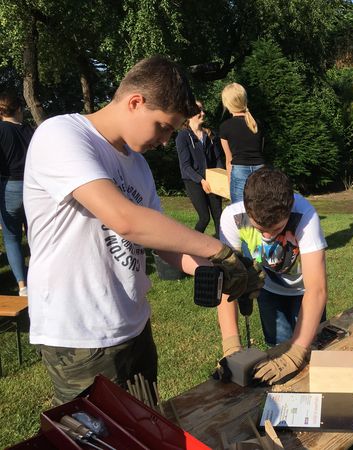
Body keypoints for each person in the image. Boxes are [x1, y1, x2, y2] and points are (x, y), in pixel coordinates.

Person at [23, 56, 255, 405]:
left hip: (132, 324)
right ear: (135, 102)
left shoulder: (138, 166)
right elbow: (125, 219)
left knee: (145, 427)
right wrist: (219, 250)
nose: (164, 140)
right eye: (163, 126)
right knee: (99, 437)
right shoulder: (61, 134)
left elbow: (162, 243)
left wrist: (217, 272)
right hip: (79, 334)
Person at [217, 167, 327, 385]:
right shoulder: (233, 217)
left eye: (276, 229)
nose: (267, 236)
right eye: (259, 229)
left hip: (304, 292)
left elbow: (317, 290)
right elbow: (225, 283)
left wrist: (296, 353)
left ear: (288, 209)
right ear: (248, 210)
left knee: (309, 354)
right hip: (269, 290)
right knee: (276, 351)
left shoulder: (305, 214)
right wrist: (231, 346)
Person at [0, 90, 34, 296]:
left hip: (9, 186)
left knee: (12, 237)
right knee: (36, 234)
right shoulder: (31, 130)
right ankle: (43, 276)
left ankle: (23, 286)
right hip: (33, 187)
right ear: (19, 109)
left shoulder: (1, 130)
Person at [175, 100, 224, 234]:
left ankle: (223, 249)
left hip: (212, 179)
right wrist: (201, 181)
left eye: (203, 110)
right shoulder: (182, 137)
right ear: (190, 114)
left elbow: (218, 158)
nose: (203, 113)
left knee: (219, 216)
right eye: (199, 111)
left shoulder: (209, 135)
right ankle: (193, 246)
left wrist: (220, 178)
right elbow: (185, 166)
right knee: (204, 218)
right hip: (193, 181)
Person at [219, 83, 264, 204]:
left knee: (239, 211)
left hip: (239, 170)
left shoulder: (225, 127)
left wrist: (229, 181)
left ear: (227, 103)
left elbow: (229, 160)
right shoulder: (257, 124)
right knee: (260, 209)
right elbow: (261, 149)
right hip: (260, 169)